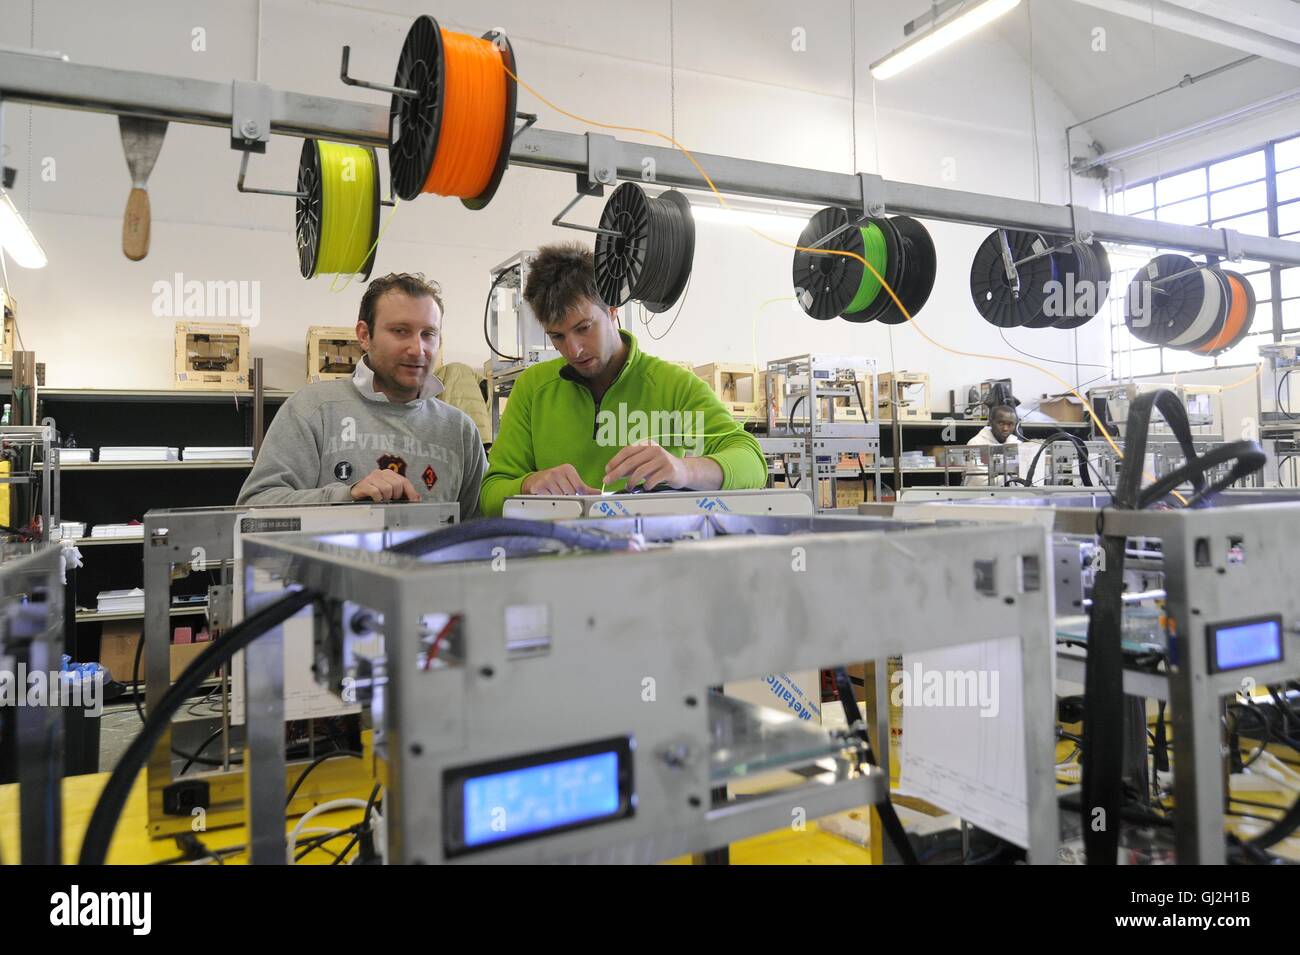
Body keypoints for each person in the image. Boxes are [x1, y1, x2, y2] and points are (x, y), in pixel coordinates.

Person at [479, 243, 767, 516]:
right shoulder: (533, 389)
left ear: (612, 310)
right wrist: (528, 485)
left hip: (649, 560)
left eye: (584, 328)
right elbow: (491, 493)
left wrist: (684, 470)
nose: (573, 350)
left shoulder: (673, 386)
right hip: (560, 561)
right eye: (557, 336)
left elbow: (752, 462)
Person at [237, 272, 486, 520]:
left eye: (428, 334)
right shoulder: (313, 409)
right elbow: (253, 507)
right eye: (400, 331)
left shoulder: (460, 430)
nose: (417, 349)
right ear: (365, 336)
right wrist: (348, 497)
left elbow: (481, 528)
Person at [963, 403, 1024, 487]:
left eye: (1010, 424)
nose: (1005, 428)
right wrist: (1010, 477)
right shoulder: (974, 444)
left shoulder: (1017, 444)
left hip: (1011, 496)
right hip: (981, 497)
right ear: (990, 422)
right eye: (1001, 423)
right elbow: (979, 481)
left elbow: (1025, 476)